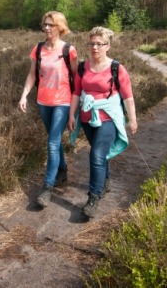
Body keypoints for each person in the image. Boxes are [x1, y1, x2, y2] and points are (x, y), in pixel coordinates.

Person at [68, 26, 137, 219]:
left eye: (99, 44)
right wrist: (71, 115)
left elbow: (128, 97)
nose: (95, 47)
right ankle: (105, 182)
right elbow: (76, 93)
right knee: (102, 154)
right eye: (92, 43)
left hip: (109, 118)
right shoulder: (83, 67)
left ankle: (93, 198)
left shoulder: (117, 68)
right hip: (87, 117)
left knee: (96, 155)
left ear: (108, 46)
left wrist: (132, 119)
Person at [18, 11, 79, 208]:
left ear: (60, 27)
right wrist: (24, 95)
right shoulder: (38, 49)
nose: (46, 28)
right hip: (43, 102)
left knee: (52, 142)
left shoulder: (68, 50)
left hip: (63, 102)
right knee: (55, 141)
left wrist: (74, 110)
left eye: (50, 25)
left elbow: (77, 80)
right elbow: (32, 75)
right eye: (44, 24)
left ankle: (47, 187)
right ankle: (62, 168)